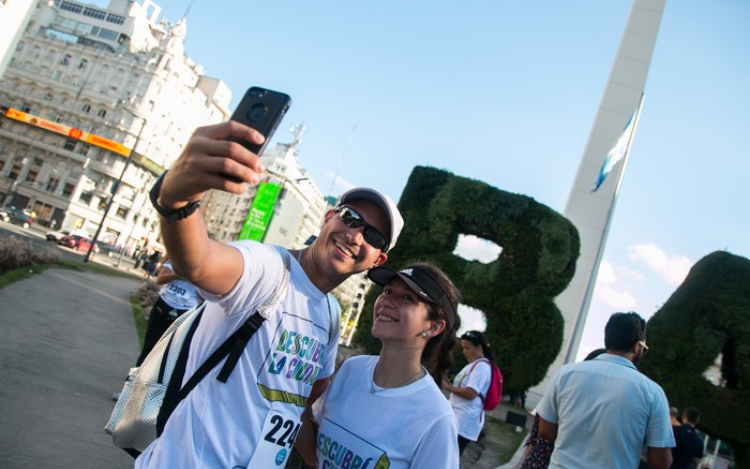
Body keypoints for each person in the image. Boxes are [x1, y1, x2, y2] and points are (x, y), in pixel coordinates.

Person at [137, 120, 404, 469]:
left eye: (373, 236)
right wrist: (177, 200)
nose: (356, 236)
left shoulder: (330, 313)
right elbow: (199, 263)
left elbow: (305, 404)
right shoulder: (268, 268)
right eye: (351, 218)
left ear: (378, 259)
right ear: (327, 218)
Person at [295, 262, 463, 467]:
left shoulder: (437, 419)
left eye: (407, 297)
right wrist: (289, 401)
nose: (387, 301)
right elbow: (318, 454)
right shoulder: (351, 369)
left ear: (434, 326)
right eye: (388, 290)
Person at [536, 311, 675, 469]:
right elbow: (662, 462)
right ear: (637, 347)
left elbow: (545, 430)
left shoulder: (566, 374)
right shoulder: (652, 393)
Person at [136, 258, 203, 365]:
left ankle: (155, 379)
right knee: (149, 346)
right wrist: (178, 275)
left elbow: (205, 294)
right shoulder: (175, 259)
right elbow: (160, 279)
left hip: (185, 310)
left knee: (170, 353)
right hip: (164, 304)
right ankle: (135, 376)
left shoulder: (203, 266)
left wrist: (195, 279)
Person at [442, 329, 497, 455]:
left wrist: (447, 387)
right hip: (458, 417)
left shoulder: (482, 366)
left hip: (464, 421)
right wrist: (450, 384)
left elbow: (471, 393)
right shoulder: (474, 365)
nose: (464, 352)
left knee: (450, 457)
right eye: (463, 348)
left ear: (478, 347)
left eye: (467, 348)